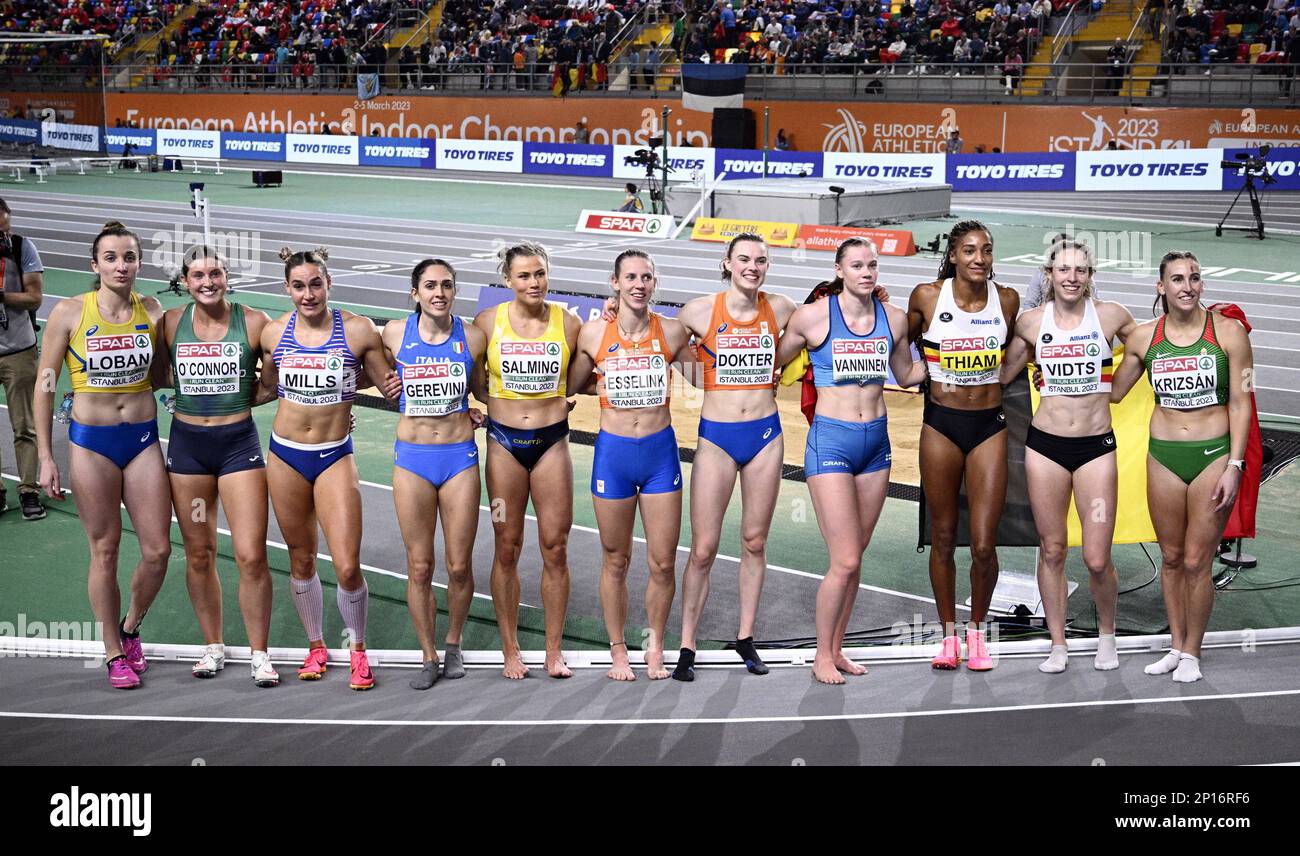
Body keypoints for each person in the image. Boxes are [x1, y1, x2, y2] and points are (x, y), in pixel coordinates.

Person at [775, 238, 927, 684]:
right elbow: (768, 361)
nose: (867, 272)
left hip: (876, 448)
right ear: (839, 270)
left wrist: (955, 355)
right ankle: (822, 654)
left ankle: (838, 648)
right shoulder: (814, 317)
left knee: (854, 559)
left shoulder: (893, 319)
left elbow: (907, 375)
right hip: (832, 445)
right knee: (843, 560)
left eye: (872, 265)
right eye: (857, 265)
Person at [35, 221, 171, 689]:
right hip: (91, 444)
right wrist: (45, 458)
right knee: (106, 549)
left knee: (157, 550)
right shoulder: (70, 312)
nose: (121, 265)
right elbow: (45, 382)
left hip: (142, 440)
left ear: (138, 262)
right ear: (95, 265)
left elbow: (170, 375)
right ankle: (113, 653)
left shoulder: (152, 310)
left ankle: (129, 628)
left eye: (129, 256)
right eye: (111, 257)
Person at [1109, 251, 1253, 683]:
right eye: (1177, 279)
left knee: (1197, 561)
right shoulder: (1143, 338)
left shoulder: (1229, 333)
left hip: (1213, 457)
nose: (1187, 286)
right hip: (1163, 458)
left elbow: (1241, 402)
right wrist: (1062, 364)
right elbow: (1114, 392)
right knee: (1171, 557)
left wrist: (1236, 465)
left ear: (1201, 285)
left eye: (1194, 278)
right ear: (1161, 287)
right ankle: (1175, 645)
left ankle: (1193, 651)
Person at [258, 247, 396, 690]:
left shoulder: (357, 330)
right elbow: (262, 390)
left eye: (316, 283)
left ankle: (358, 649)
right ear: (287, 289)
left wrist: (458, 409)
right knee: (300, 558)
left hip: (335, 454)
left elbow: (392, 387)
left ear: (329, 283)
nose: (308, 293)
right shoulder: (274, 333)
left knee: (348, 564)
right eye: (298, 286)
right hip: (284, 456)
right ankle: (316, 645)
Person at [999, 239, 1138, 674]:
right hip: (1046, 448)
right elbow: (1001, 374)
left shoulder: (1111, 315)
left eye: (1080, 270)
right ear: (1049, 275)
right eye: (1063, 270)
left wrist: (1118, 389)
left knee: (1097, 558)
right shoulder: (1030, 323)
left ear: (1090, 276)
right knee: (1052, 549)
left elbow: (1153, 345)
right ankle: (1057, 643)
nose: (1072, 277)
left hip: (1095, 448)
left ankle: (1107, 635)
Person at [672, 234, 798, 681]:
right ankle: (686, 643)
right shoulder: (699, 311)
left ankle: (746, 637)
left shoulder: (781, 308)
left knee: (754, 542)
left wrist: (783, 363)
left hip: (765, 434)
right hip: (717, 438)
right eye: (744, 259)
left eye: (761, 260)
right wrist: (698, 373)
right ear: (727, 263)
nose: (753, 266)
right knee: (703, 548)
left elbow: (820, 326)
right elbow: (660, 339)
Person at [155, 245, 279, 687]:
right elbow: (154, 375)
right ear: (185, 282)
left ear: (227, 277)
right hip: (188, 451)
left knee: (251, 554)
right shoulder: (171, 322)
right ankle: (214, 646)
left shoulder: (253, 321)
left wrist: (251, 398)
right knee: (200, 552)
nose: (207, 282)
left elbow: (279, 377)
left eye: (215, 273)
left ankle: (259, 654)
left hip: (237, 448)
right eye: (197, 276)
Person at [568, 250, 692, 680]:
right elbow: (570, 383)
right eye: (631, 278)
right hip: (614, 454)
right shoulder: (592, 334)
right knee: (615, 559)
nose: (639, 284)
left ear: (654, 283)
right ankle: (618, 648)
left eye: (647, 277)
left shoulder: (674, 333)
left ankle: (656, 644)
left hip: (660, 455)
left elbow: (706, 373)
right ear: (615, 283)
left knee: (662, 562)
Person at [908, 220, 1019, 670]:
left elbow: (1023, 345)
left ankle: (977, 635)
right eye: (970, 250)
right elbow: (897, 335)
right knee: (943, 538)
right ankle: (947, 637)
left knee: (984, 545)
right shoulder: (927, 297)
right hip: (940, 425)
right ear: (953, 255)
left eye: (987, 250)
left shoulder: (1006, 300)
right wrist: (913, 375)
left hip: (988, 426)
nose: (979, 258)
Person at [473, 242, 583, 679]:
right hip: (503, 445)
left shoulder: (569, 323)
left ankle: (553, 651)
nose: (533, 282)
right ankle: (511, 649)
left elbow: (580, 377)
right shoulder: (487, 322)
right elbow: (472, 375)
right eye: (523, 276)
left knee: (555, 547)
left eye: (539, 274)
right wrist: (478, 406)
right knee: (507, 546)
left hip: (552, 444)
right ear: (508, 281)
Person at [381, 259, 486, 689]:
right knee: (420, 566)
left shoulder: (473, 336)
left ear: (454, 291)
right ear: (415, 293)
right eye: (429, 285)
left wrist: (480, 410)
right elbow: (357, 355)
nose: (438, 292)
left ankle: (454, 643)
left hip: (459, 457)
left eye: (446, 285)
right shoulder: (392, 333)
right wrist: (381, 383)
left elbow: (483, 388)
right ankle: (427, 656)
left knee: (459, 566)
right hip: (413, 461)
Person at [0, 198, 47, 520]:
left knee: (25, 426)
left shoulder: (21, 247)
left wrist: (2, 296)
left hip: (18, 350)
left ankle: (29, 490)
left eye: (6, 228)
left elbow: (34, 299)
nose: (4, 236)